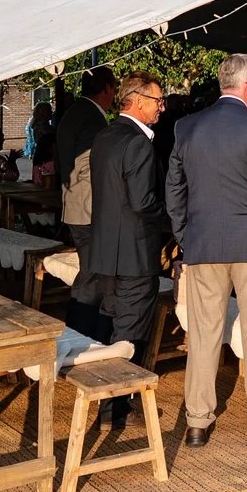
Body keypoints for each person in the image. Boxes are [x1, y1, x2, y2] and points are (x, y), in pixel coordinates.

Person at [166, 53, 247, 450]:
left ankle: (197, 421)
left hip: (204, 241)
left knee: (203, 332)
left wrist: (185, 234)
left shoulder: (187, 127)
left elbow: (174, 188)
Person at [88, 73, 171, 379]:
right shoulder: (138, 143)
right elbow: (142, 203)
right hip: (133, 258)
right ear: (138, 101)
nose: (162, 107)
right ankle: (117, 405)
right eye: (158, 101)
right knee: (129, 335)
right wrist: (174, 218)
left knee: (110, 327)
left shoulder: (105, 136)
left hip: (106, 253)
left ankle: (107, 397)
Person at [55, 67, 119, 340]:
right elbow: (87, 166)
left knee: (94, 271)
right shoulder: (91, 118)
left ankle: (88, 332)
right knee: (92, 273)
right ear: (106, 89)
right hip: (88, 206)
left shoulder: (75, 113)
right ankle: (78, 334)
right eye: (114, 88)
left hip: (76, 203)